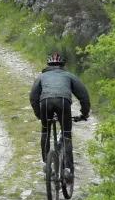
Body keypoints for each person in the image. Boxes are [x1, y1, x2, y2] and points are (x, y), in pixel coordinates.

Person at [29, 52, 90, 181]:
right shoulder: (69, 76)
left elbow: (33, 97)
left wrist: (39, 114)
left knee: (45, 131)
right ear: (62, 65)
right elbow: (83, 95)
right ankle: (67, 169)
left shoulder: (42, 77)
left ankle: (47, 164)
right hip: (63, 102)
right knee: (66, 134)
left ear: (48, 65)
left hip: (45, 102)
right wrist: (84, 113)